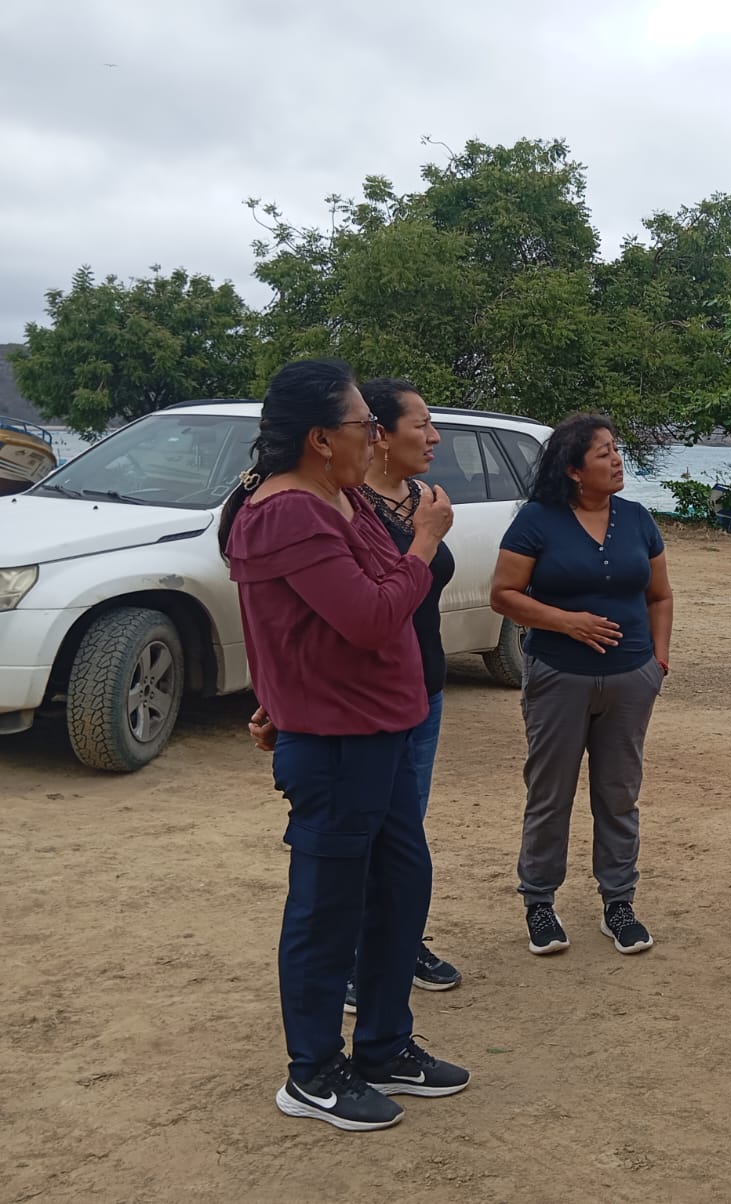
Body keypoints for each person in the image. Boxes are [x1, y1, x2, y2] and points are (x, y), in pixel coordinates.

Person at [221, 358, 470, 1131]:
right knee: (327, 907)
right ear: (320, 438)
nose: (376, 437)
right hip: (335, 742)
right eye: (365, 425)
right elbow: (368, 616)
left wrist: (278, 695)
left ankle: (384, 1046)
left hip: (380, 729)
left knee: (400, 885)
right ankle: (313, 1072)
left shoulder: (343, 495)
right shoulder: (286, 511)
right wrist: (424, 542)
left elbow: (338, 607)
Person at [490, 414, 673, 957]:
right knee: (551, 793)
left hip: (631, 678)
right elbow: (503, 594)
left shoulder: (638, 519)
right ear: (573, 470)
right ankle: (539, 903)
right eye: (603, 453)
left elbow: (660, 595)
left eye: (616, 449)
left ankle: (619, 903)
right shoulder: (537, 520)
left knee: (619, 794)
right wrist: (566, 622)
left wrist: (658, 661)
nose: (617, 460)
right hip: (558, 676)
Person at [350, 378, 461, 999]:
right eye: (421, 425)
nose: (434, 437)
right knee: (364, 827)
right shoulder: (348, 507)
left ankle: (400, 940)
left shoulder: (427, 499)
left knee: (407, 829)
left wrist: (430, 530)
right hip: (370, 695)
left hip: (427, 688)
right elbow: (370, 602)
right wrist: (426, 537)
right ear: (381, 435)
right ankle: (353, 956)